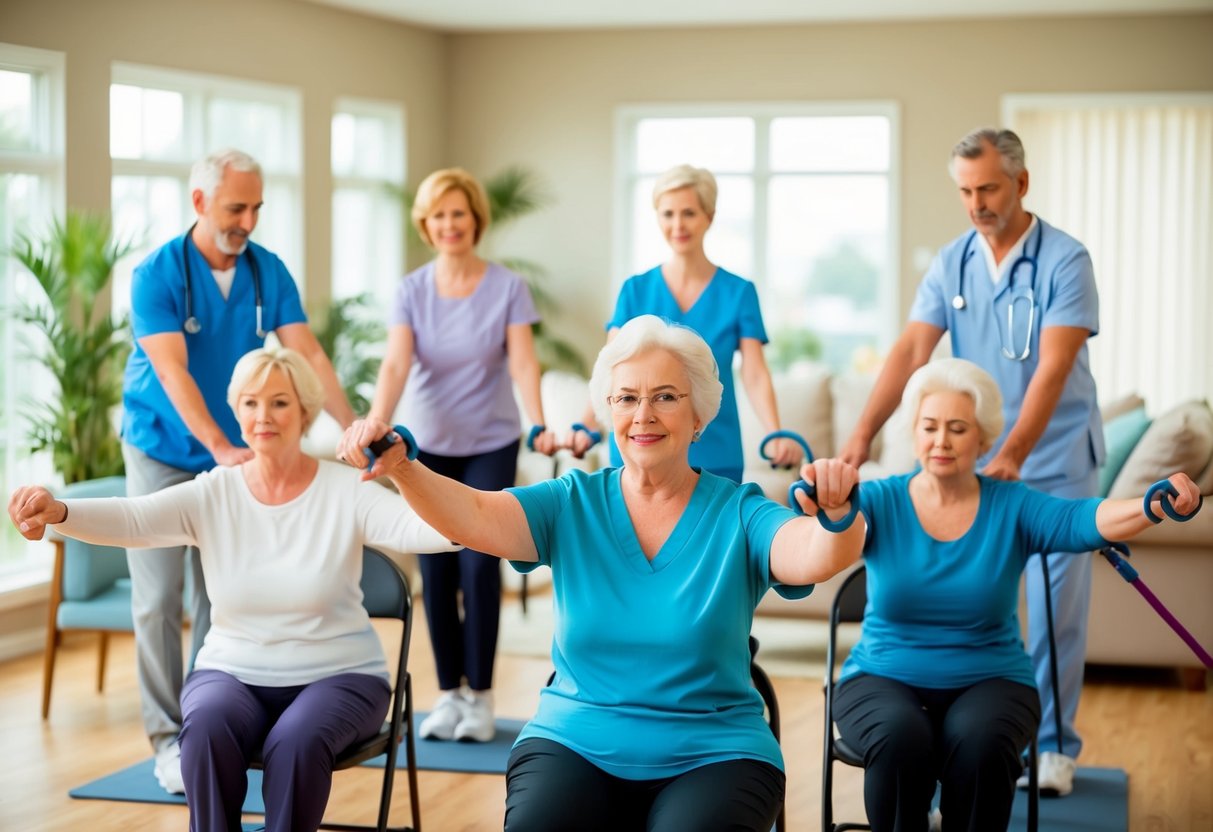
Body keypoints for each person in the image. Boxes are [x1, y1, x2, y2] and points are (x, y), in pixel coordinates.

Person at [339, 314, 866, 832]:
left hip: (715, 749)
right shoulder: (571, 502)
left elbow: (812, 554)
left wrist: (837, 516)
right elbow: (475, 515)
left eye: (665, 396)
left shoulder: (740, 512)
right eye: (627, 398)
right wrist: (404, 466)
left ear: (699, 415)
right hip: (575, 739)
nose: (644, 415)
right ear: (608, 411)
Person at [11, 347, 455, 832]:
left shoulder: (344, 490)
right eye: (249, 403)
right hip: (232, 670)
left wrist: (405, 469)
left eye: (280, 403)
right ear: (236, 412)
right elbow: (136, 518)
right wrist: (60, 512)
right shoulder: (214, 491)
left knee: (296, 741)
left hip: (340, 676)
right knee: (203, 728)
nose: (263, 416)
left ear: (306, 412)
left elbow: (435, 533)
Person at [838, 127, 1104, 796]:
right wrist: (860, 434)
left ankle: (1051, 746)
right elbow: (908, 352)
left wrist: (1012, 454)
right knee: (965, 603)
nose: (976, 202)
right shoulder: (952, 262)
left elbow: (1053, 366)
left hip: (1051, 456)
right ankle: (944, 748)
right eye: (964, 190)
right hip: (974, 458)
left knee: (1051, 609)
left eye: (987, 187)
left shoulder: (1064, 260)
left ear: (1020, 182)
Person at [833, 358, 1200, 832]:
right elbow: (829, 532)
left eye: (958, 428)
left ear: (983, 438)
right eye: (929, 427)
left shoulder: (1011, 504)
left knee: (983, 743)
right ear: (914, 433)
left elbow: (1081, 520)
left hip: (991, 678)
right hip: (882, 674)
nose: (941, 440)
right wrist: (824, 498)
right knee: (901, 739)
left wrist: (1152, 504)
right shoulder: (880, 499)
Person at [120, 148, 356, 793]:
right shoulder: (157, 274)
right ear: (199, 203)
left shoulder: (265, 270)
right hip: (164, 446)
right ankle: (167, 739)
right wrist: (221, 448)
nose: (247, 220)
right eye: (235, 207)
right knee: (159, 597)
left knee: (214, 596)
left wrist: (353, 426)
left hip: (235, 449)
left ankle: (204, 729)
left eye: (255, 208)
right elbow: (171, 371)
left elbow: (305, 350)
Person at [368, 167, 556, 744]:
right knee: (436, 565)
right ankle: (449, 693)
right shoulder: (412, 290)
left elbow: (523, 362)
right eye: (439, 215)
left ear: (476, 219)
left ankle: (483, 696)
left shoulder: (507, 287)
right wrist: (377, 420)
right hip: (427, 447)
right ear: (426, 225)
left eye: (460, 213)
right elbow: (397, 364)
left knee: (478, 565)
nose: (450, 224)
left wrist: (539, 420)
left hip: (491, 443)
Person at [567, 164, 800, 478]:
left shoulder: (739, 292)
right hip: (639, 450)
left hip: (715, 451)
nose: (678, 224)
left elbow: (755, 373)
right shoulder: (635, 289)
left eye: (689, 213)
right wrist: (586, 424)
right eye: (668, 214)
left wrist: (776, 432)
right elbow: (607, 369)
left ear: (709, 216)